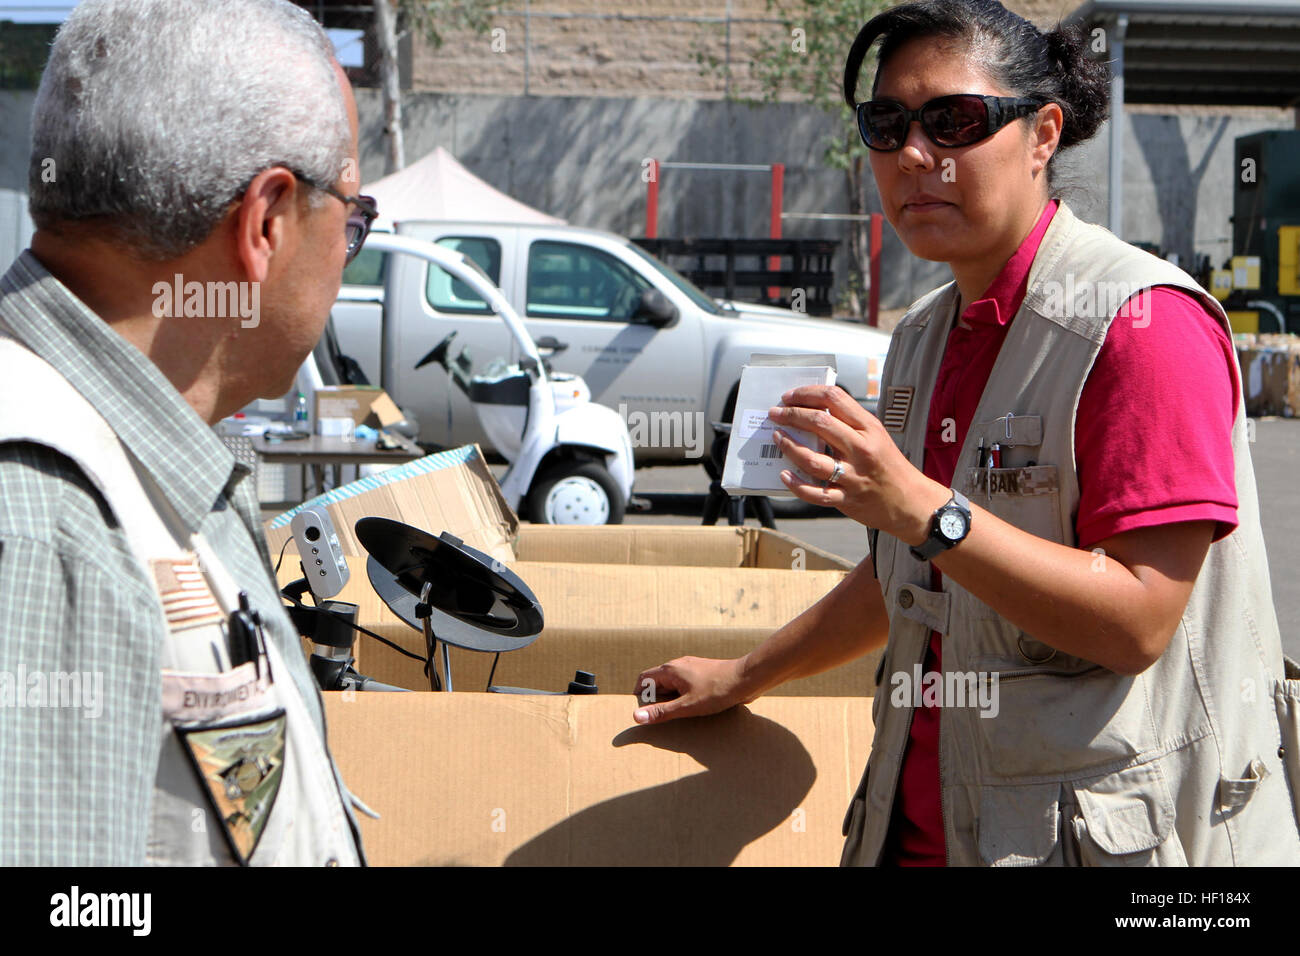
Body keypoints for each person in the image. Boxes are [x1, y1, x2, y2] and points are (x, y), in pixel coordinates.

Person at [633, 0, 1300, 866]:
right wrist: (742, 676)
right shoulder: (921, 336)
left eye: (954, 121)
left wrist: (925, 510)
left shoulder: (1142, 327)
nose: (915, 154)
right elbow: (909, 580)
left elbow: (1136, 621)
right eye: (887, 124)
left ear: (1042, 135)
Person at [0, 0, 379, 865]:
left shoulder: (129, 462)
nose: (345, 254)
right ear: (267, 222)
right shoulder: (48, 517)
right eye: (352, 221)